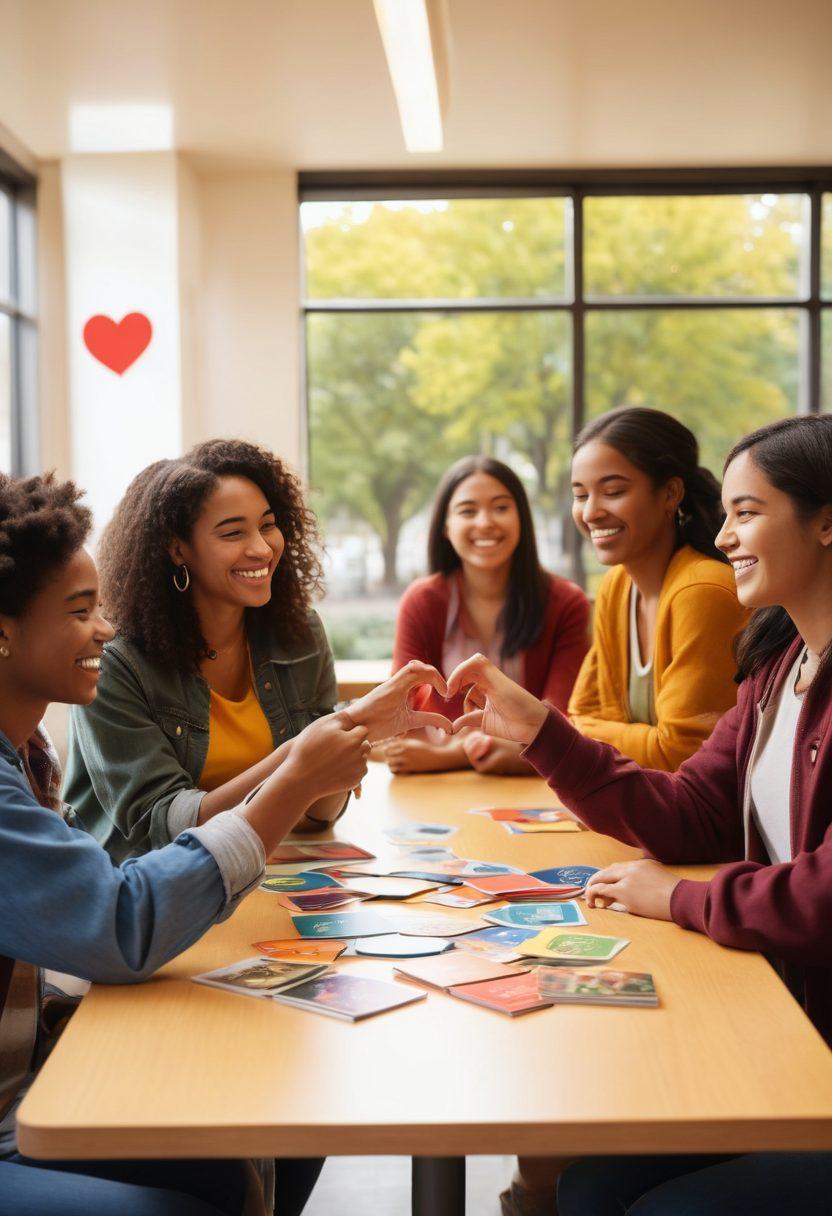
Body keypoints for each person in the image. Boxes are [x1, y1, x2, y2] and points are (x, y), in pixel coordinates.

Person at [0, 470, 451, 1216]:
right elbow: (120, 921)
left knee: (257, 1147)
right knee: (203, 1188)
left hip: (40, 1065)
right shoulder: (102, 691)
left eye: (267, 524)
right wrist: (297, 773)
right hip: (23, 1110)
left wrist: (321, 761)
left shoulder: (29, 756)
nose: (103, 632)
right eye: (80, 613)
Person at [446, 414, 832, 1216]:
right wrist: (541, 732)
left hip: (814, 1050)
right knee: (587, 1184)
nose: (723, 538)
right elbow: (690, 810)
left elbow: (823, 894)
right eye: (724, 513)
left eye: (747, 513)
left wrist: (682, 897)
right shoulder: (778, 664)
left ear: (827, 522)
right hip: (786, 1021)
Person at [65, 439, 369, 862]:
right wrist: (299, 762)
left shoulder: (298, 632)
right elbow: (163, 830)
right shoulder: (114, 659)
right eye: (233, 533)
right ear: (177, 548)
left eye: (267, 524)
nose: (262, 548)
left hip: (261, 869)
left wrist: (351, 739)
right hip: (138, 890)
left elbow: (319, 816)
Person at [568, 407, 749, 770]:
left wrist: (580, 735)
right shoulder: (616, 587)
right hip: (643, 813)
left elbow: (679, 754)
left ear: (670, 494)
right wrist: (579, 732)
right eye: (581, 495)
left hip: (713, 822)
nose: (591, 512)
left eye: (613, 491)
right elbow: (579, 713)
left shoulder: (704, 591)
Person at [387, 456, 589, 776]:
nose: (485, 522)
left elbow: (562, 729)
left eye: (500, 508)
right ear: (446, 526)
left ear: (521, 518)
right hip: (434, 786)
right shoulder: (422, 601)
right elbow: (399, 715)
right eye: (468, 511)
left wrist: (454, 755)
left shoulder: (566, 603)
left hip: (534, 787)